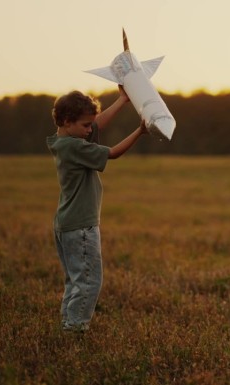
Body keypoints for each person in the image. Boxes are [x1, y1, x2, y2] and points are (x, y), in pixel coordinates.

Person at [47, 86, 146, 333]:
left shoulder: (65, 140)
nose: (90, 130)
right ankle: (75, 329)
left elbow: (97, 123)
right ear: (68, 122)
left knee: (75, 280)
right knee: (90, 282)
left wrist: (123, 99)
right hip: (81, 226)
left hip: (66, 224)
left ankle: (68, 323)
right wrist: (141, 131)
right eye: (85, 126)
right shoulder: (75, 147)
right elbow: (112, 153)